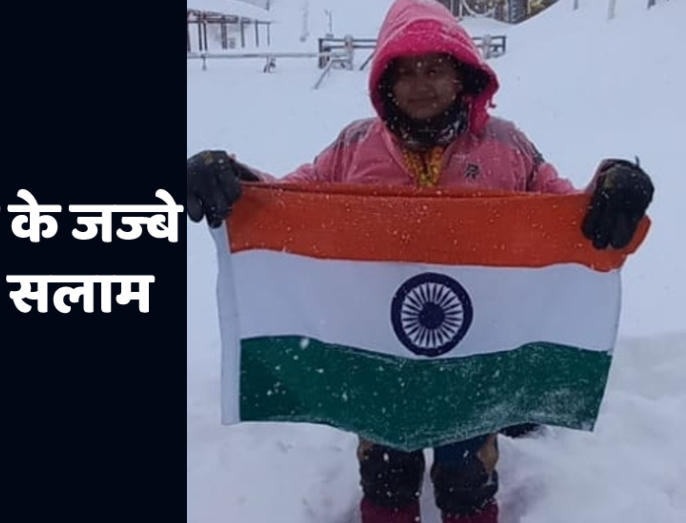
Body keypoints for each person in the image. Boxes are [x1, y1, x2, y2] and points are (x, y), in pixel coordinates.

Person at [185, 1, 654, 521]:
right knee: (386, 474)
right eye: (404, 71)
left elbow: (567, 210)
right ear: (384, 81)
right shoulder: (355, 146)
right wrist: (235, 180)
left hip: (475, 352)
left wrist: (615, 184)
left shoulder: (507, 146)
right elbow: (287, 203)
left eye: (435, 69)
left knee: (467, 474)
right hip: (380, 352)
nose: (420, 85)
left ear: (463, 75)